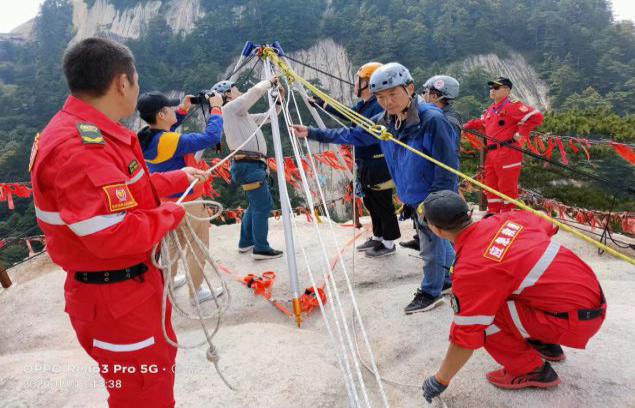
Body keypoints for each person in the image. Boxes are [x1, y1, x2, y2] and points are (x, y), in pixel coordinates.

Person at [30, 38, 209, 407]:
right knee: (143, 397)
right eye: (137, 81)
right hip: (117, 302)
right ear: (122, 83)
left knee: (151, 383)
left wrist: (179, 179)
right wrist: (173, 213)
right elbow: (112, 232)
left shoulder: (91, 134)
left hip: (128, 292)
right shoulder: (80, 147)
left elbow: (125, 191)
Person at [292, 63, 459, 313]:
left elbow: (447, 165)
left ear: (410, 88)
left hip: (431, 195)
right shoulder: (386, 121)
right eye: (381, 97)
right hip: (412, 193)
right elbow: (354, 135)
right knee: (438, 239)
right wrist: (313, 133)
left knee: (430, 245)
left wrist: (434, 201)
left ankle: (430, 292)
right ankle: (448, 278)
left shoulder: (432, 120)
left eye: (393, 94)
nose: (387, 102)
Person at [418, 191, 606, 402]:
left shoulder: (471, 267)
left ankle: (531, 370)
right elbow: (548, 223)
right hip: (590, 300)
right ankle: (544, 343)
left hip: (572, 319)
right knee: (506, 290)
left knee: (484, 318)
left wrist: (441, 379)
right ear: (467, 212)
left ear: (437, 230)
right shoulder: (504, 219)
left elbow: (466, 336)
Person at [137, 91, 225, 305]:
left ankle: (167, 283)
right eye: (170, 109)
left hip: (166, 202)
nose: (173, 111)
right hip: (189, 201)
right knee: (197, 244)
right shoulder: (169, 141)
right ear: (161, 114)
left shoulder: (148, 137)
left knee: (172, 245)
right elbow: (211, 137)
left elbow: (168, 132)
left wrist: (183, 109)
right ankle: (196, 292)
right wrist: (216, 108)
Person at [310, 62, 401, 257]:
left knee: (382, 201)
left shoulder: (378, 105)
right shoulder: (365, 105)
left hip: (379, 159)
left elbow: (363, 128)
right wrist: (323, 104)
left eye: (358, 80)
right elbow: (347, 113)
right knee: (370, 200)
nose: (355, 83)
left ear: (368, 82)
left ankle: (389, 242)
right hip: (366, 159)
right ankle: (378, 236)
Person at [212, 78, 285, 260]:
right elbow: (253, 93)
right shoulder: (229, 109)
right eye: (236, 89)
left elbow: (271, 116)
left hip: (251, 165)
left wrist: (278, 100)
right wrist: (268, 82)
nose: (240, 91)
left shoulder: (241, 116)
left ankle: (246, 242)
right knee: (262, 205)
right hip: (249, 165)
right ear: (228, 93)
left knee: (255, 204)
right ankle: (261, 247)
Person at [463, 77, 544, 214]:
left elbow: (536, 116)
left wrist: (522, 132)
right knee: (491, 185)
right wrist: (464, 126)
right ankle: (494, 212)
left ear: (506, 90)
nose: (492, 90)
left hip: (508, 151)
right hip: (492, 153)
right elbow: (481, 123)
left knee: (507, 186)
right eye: (491, 87)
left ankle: (507, 214)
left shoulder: (513, 106)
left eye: (496, 87)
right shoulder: (491, 110)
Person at [401, 75, 463, 251]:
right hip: (428, 169)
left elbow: (446, 152)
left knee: (438, 212)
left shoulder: (446, 119)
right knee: (421, 211)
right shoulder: (438, 115)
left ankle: (446, 253)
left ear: (436, 96)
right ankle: (421, 239)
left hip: (438, 172)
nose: (424, 96)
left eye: (426, 92)